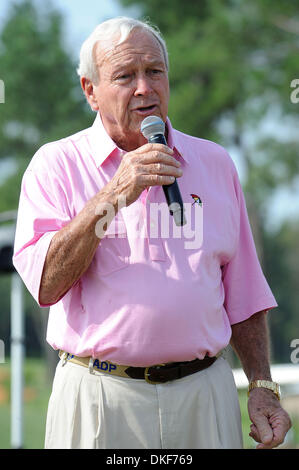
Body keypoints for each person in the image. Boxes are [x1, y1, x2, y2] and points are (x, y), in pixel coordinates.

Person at [13, 16, 291, 449]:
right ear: (91, 91)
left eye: (154, 72)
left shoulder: (215, 163)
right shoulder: (55, 166)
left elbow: (244, 296)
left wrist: (262, 386)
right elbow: (46, 283)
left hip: (205, 397)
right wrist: (114, 195)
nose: (144, 88)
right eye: (125, 76)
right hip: (99, 398)